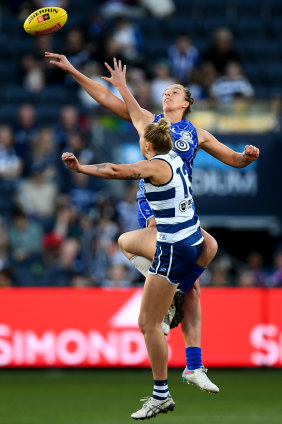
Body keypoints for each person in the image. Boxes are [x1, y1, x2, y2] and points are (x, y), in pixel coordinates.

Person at [45, 52, 260, 393]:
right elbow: (104, 97)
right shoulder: (149, 122)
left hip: (184, 210)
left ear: (187, 103)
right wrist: (73, 71)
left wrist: (247, 157)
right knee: (178, 270)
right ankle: (169, 316)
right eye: (166, 90)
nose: (167, 93)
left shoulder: (197, 134)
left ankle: (192, 363)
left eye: (176, 91)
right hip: (156, 210)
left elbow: (234, 159)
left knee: (196, 281)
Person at [62, 114, 203, 419]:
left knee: (148, 325)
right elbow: (143, 123)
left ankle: (161, 395)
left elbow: (114, 170)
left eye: (142, 138)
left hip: (171, 249)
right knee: (127, 240)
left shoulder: (154, 165)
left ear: (147, 145)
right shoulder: (176, 158)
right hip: (191, 242)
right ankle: (176, 294)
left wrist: (81, 168)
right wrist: (124, 90)